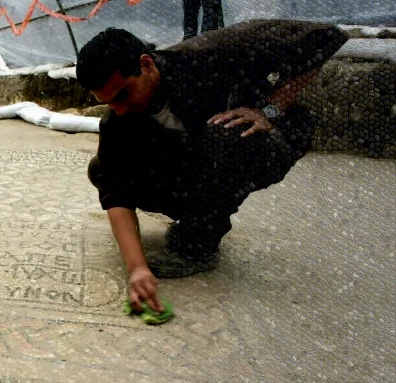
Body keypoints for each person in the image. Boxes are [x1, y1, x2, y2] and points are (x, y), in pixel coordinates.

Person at [75, 21, 348, 312]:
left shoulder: (211, 54)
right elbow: (116, 194)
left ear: (146, 65)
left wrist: (270, 109)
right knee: (101, 169)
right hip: (199, 152)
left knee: (225, 134)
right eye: (108, 102)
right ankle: (197, 218)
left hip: (262, 139)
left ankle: (197, 247)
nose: (119, 109)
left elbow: (324, 39)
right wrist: (137, 268)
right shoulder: (118, 120)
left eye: (122, 96)